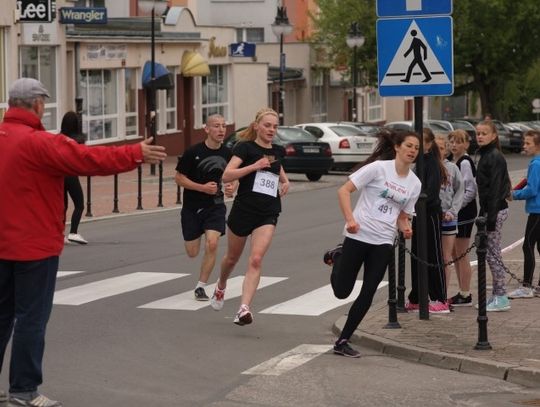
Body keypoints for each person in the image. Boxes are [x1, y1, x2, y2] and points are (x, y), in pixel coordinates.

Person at [0, 78, 166, 407]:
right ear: (35, 105)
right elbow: (87, 160)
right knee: (31, 318)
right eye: (43, 104)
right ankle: (23, 390)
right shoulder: (39, 142)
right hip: (34, 248)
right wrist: (135, 153)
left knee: (2, 317)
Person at [323, 130, 421, 357]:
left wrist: (406, 228)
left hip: (384, 241)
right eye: (408, 146)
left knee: (368, 292)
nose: (412, 151)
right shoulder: (378, 169)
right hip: (358, 234)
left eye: (416, 148)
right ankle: (338, 256)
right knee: (341, 291)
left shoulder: (414, 184)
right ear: (397, 147)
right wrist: (350, 220)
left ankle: (343, 340)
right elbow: (344, 190)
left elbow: (403, 215)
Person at [209, 108, 290, 326]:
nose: (271, 130)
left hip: (269, 211)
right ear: (256, 126)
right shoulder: (244, 148)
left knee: (255, 259)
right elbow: (227, 174)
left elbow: (277, 168)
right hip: (244, 210)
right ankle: (221, 285)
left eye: (275, 126)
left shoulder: (278, 150)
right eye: (267, 125)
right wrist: (254, 166)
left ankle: (243, 308)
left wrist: (285, 181)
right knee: (232, 259)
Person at [175, 114, 234, 301]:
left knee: (213, 243)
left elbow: (233, 176)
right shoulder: (193, 152)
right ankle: (198, 231)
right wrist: (202, 188)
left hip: (215, 206)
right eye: (216, 126)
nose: (221, 130)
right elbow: (179, 178)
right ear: (207, 129)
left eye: (224, 126)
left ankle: (201, 286)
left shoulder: (228, 154)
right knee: (192, 252)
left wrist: (233, 186)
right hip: (192, 207)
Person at [406, 128, 448, 313]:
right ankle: (416, 297)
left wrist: (414, 203)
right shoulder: (420, 162)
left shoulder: (432, 163)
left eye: (421, 142)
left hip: (430, 214)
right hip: (418, 214)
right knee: (417, 256)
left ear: (429, 144)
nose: (417, 147)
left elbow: (430, 193)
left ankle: (440, 298)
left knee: (433, 256)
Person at [475, 120, 512, 311]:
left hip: (496, 210)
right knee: (490, 254)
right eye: (478, 133)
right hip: (490, 210)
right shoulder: (485, 155)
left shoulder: (494, 156)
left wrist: (489, 219)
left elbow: (496, 187)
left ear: (493, 135)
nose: (480, 136)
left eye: (484, 133)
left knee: (493, 254)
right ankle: (497, 294)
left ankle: (502, 296)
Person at [508, 130, 540, 299]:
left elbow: (532, 189)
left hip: (537, 211)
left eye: (528, 143)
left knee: (527, 246)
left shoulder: (536, 163)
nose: (524, 146)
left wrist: (514, 195)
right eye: (524, 143)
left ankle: (526, 286)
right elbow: (527, 181)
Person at [448, 129, 478, 306]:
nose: (454, 145)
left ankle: (466, 293)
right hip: (456, 211)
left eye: (458, 142)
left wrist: (456, 208)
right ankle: (461, 290)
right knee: (454, 252)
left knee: (462, 252)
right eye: (451, 141)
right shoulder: (454, 161)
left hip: (464, 212)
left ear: (466, 144)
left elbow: (470, 190)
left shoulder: (465, 162)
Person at [434, 135, 464, 296]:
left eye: (441, 147)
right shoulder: (425, 167)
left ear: (446, 150)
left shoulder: (453, 168)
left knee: (446, 258)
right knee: (431, 258)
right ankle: (430, 293)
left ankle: (442, 295)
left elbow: (460, 191)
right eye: (435, 147)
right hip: (431, 218)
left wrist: (453, 211)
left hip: (449, 219)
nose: (438, 151)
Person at [60, 111, 88, 245]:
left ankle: (60, 234)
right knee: (79, 204)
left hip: (59, 175)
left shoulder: (58, 138)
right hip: (71, 174)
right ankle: (73, 232)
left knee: (63, 206)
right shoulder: (78, 140)